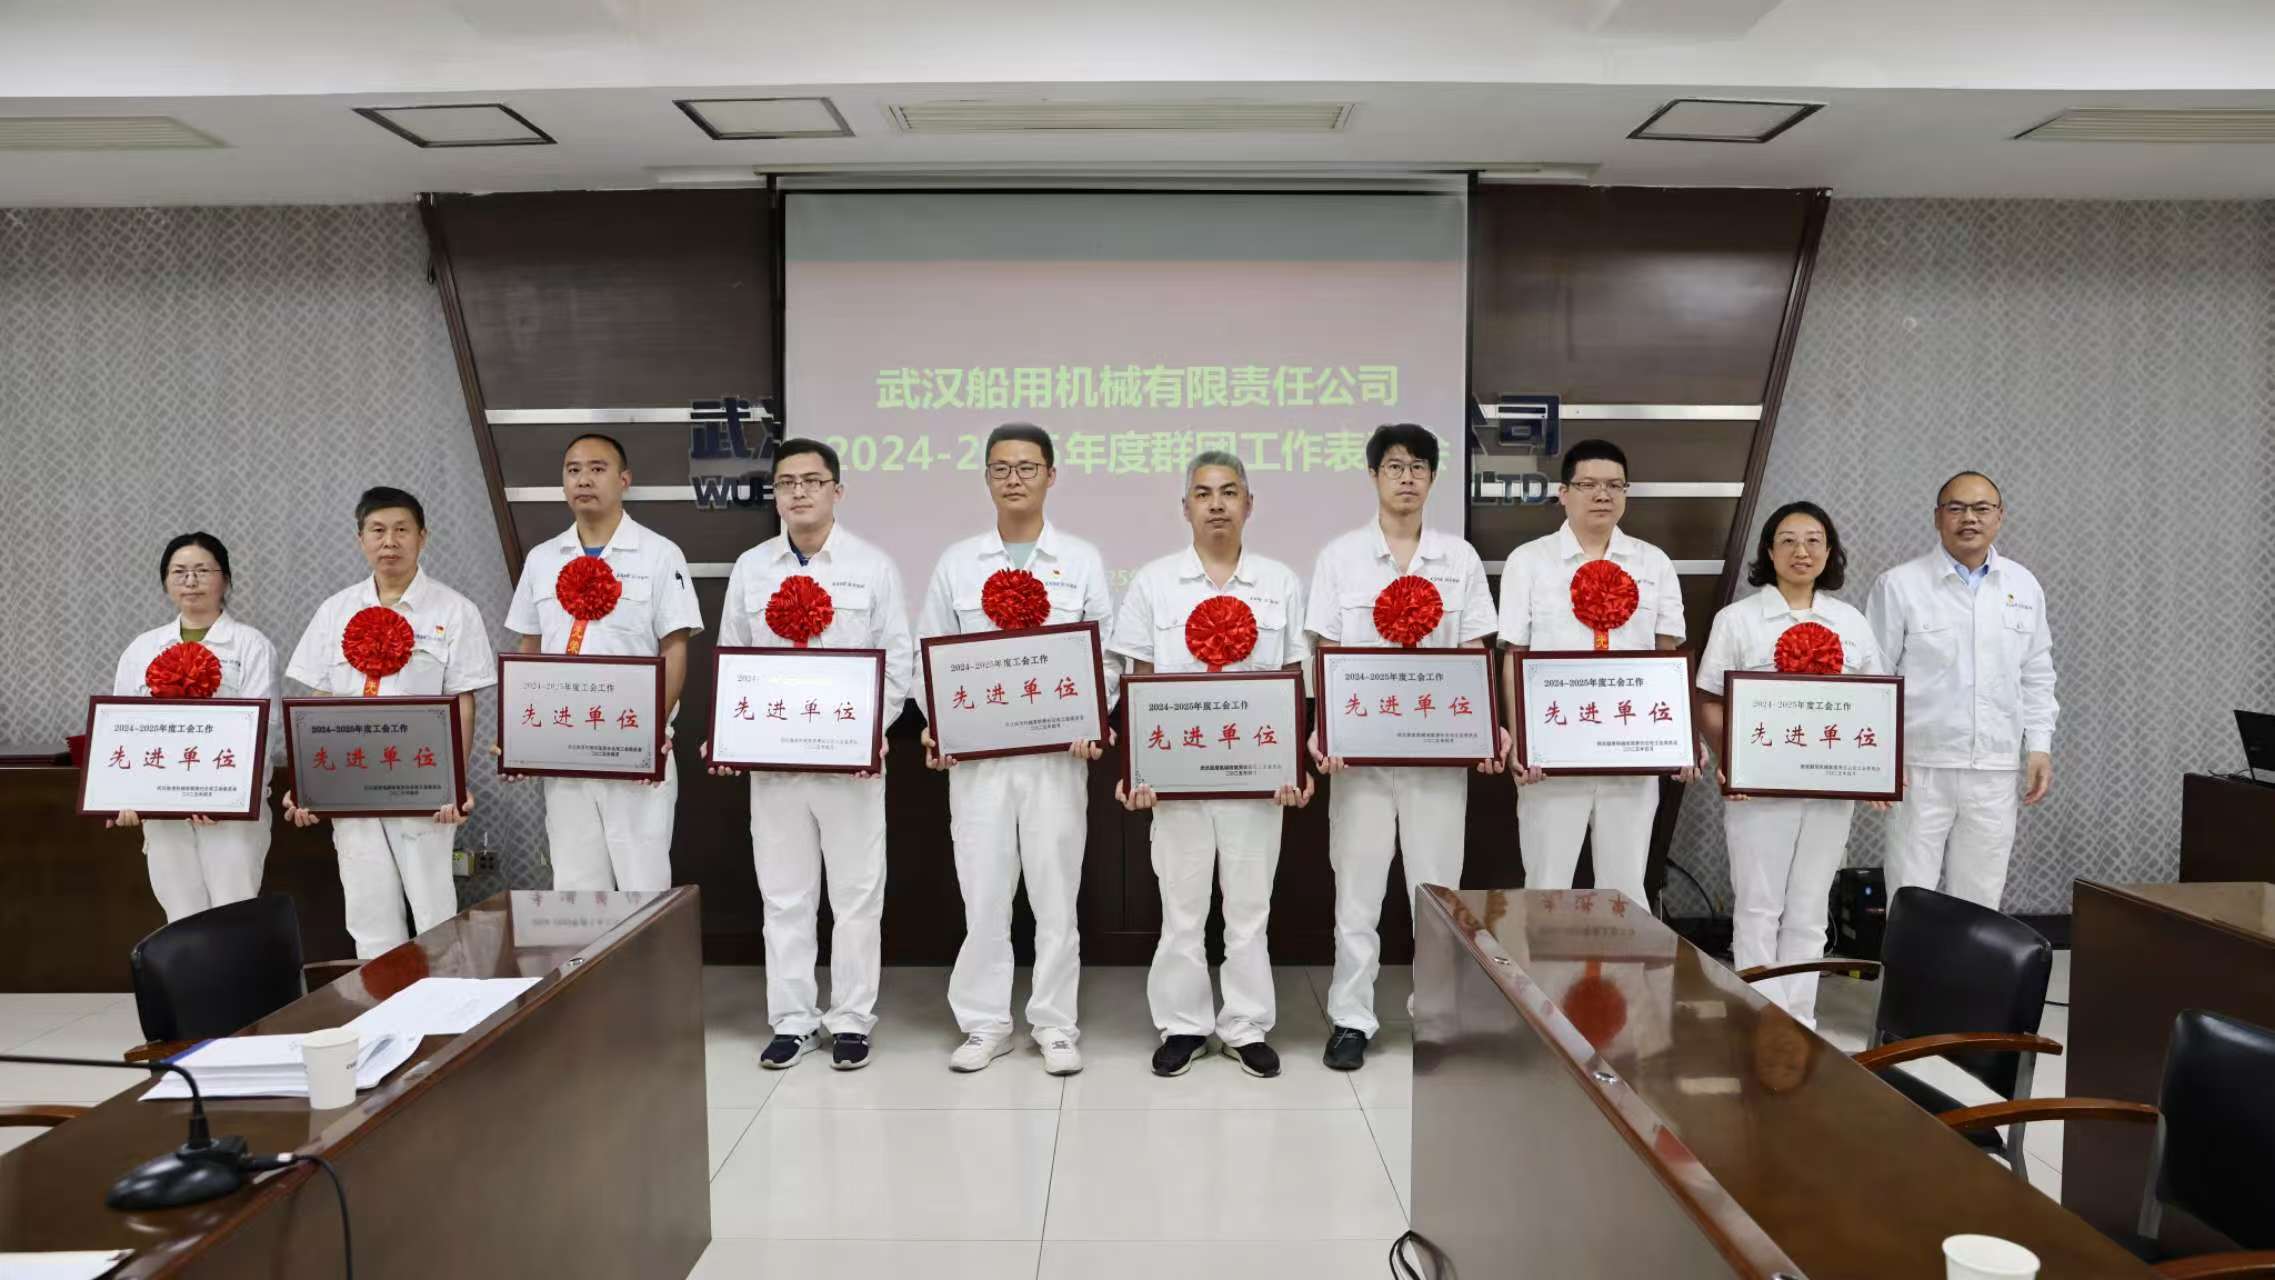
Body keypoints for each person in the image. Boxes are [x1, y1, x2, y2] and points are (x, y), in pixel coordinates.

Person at [916, 423, 1114, 1077]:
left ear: (1051, 476)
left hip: (1057, 759)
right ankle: (985, 1023)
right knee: (984, 895)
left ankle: (1055, 1024)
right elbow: (928, 657)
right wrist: (938, 724)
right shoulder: (957, 563)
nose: (1014, 479)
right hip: (979, 762)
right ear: (986, 478)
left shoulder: (1080, 560)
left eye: (1027, 467)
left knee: (1056, 897)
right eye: (1001, 468)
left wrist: (1093, 716)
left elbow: (1106, 658)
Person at [1109, 450, 1312, 1079]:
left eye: (1229, 492)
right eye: (1203, 493)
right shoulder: (1154, 583)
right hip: (1178, 782)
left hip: (1256, 782)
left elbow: (1296, 679)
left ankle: (1246, 1025)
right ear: (1185, 508)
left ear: (1249, 504)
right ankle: (1184, 1024)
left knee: (1250, 911)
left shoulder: (1280, 582)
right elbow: (1138, 678)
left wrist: (1295, 766)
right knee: (1182, 911)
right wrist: (1136, 770)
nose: (1216, 504)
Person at [1305, 424, 1502, 1071]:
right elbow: (1326, 653)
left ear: (1433, 478)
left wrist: (1488, 725)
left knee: (1438, 895)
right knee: (1356, 895)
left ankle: (1436, 1018)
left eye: (1419, 466)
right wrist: (1323, 729)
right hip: (1359, 762)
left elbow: (1474, 651)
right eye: (1394, 466)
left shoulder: (1459, 559)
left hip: (1437, 761)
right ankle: (1351, 1018)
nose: (1407, 478)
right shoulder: (1340, 557)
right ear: (1373, 476)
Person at [713, 439, 913, 1072]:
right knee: (784, 897)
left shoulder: (873, 567)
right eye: (786, 482)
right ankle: (793, 1020)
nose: (798, 492)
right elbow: (733, 657)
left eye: (812, 481)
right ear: (774, 494)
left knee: (856, 896)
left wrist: (869, 732)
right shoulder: (752, 568)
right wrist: (730, 732)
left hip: (850, 765)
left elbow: (898, 663)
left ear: (837, 491)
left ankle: (851, 1019)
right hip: (775, 768)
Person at [280, 487, 495, 958]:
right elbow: (318, 701)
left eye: (401, 530)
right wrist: (306, 783)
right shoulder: (335, 611)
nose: (390, 541)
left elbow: (462, 702)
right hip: (351, 789)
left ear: (423, 537)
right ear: (360, 539)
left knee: (434, 911)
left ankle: (442, 1002)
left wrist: (454, 783)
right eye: (377, 530)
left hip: (420, 787)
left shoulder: (455, 611)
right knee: (368, 913)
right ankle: (381, 1002)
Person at [1696, 502, 1888, 1028]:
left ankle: (1800, 1023)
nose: (1801, 551)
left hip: (1829, 792)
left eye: (1813, 540)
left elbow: (1875, 702)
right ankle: (1758, 1021)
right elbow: (1708, 699)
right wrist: (1732, 758)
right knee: (1758, 908)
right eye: (1788, 540)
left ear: (1830, 551)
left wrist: (1879, 768)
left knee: (1808, 909)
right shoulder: (1738, 620)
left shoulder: (1850, 622)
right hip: (1758, 792)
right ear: (1769, 550)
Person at [1496, 438, 1693, 904]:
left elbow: (1667, 656)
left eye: (1614, 485)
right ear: (1563, 493)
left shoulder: (1653, 562)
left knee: (1626, 892)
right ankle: (1541, 959)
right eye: (1588, 484)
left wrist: (1679, 740)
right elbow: (1515, 654)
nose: (1602, 494)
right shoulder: (1529, 561)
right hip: (1552, 754)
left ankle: (1624, 958)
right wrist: (1521, 738)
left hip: (1632, 751)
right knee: (1546, 886)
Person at [503, 433, 702, 892]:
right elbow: (529, 647)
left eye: (597, 469)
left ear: (624, 480)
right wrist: (519, 732)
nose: (583, 480)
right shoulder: (543, 559)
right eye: (573, 470)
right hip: (563, 750)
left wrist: (650, 730)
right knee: (575, 888)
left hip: (635, 749)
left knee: (643, 886)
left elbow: (674, 649)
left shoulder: (659, 554)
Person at [1866, 471, 2057, 908]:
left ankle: (1968, 960)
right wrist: (1880, 758)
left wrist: (2039, 747)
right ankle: (1912, 960)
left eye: (1981, 509)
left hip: (1994, 767)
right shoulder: (1899, 585)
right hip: (1918, 767)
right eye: (1956, 508)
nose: (1969, 518)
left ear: (2000, 516)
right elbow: (1875, 678)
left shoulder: (2023, 586)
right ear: (1938, 517)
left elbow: (2037, 673)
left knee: (1980, 899)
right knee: (1910, 895)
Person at [109, 532, 279, 921]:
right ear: (165, 582)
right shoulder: (142, 649)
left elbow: (263, 729)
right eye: (179, 572)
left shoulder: (250, 645)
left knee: (234, 913)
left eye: (203, 570)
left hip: (229, 813)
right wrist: (123, 795)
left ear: (225, 580)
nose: (191, 581)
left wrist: (221, 796)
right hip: (163, 811)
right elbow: (121, 727)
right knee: (181, 918)